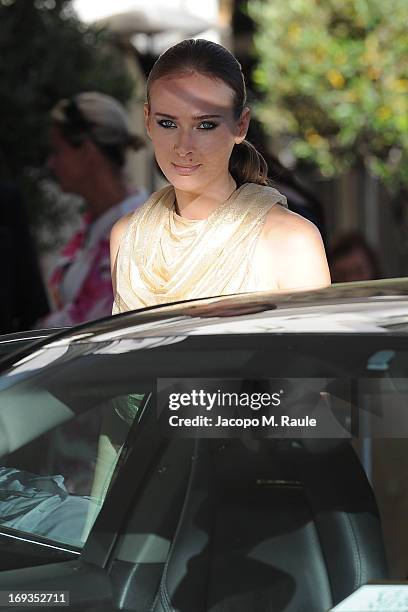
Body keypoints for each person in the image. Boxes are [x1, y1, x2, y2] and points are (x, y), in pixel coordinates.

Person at [110, 39, 330, 314]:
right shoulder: (127, 235)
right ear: (147, 121)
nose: (184, 146)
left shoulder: (290, 240)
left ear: (241, 126)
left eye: (205, 125)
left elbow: (313, 353)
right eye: (167, 123)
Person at [41, 92, 147, 328]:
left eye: (58, 150)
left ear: (87, 153)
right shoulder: (96, 225)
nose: (51, 163)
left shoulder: (138, 231)